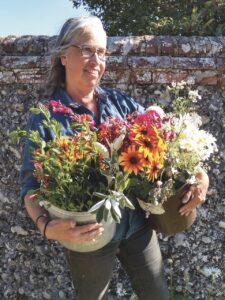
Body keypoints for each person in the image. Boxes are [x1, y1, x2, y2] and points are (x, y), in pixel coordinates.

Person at [20, 16, 209, 300]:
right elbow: (30, 187)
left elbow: (168, 140)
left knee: (157, 295)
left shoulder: (120, 104)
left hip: (136, 225)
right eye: (86, 49)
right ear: (62, 56)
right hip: (88, 234)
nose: (96, 59)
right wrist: (47, 227)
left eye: (101, 52)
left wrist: (199, 175)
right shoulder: (46, 118)